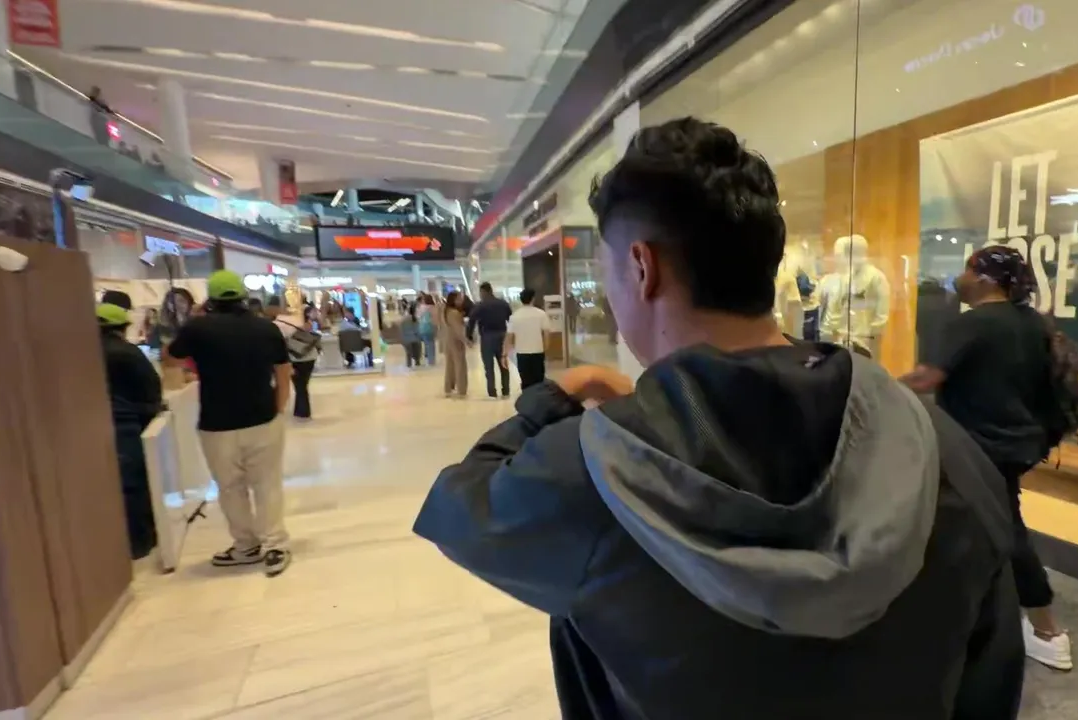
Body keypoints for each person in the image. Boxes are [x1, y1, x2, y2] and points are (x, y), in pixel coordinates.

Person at [414, 118, 1024, 719]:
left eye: (606, 276)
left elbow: (458, 506)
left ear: (643, 268)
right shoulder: (941, 447)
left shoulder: (589, 469)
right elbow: (989, 673)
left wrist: (557, 395)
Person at [901, 246, 1072, 672]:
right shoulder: (1032, 322)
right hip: (1021, 441)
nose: (959, 278)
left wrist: (876, 386)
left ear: (984, 278)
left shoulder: (971, 323)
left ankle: (1047, 631)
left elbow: (927, 377)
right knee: (976, 521)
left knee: (1004, 527)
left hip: (979, 446)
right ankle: (974, 608)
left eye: (966, 269)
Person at [166, 270, 293, 577]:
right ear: (243, 297)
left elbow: (170, 357)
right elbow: (283, 372)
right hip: (262, 417)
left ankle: (245, 546)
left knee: (230, 488)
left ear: (210, 299)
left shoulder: (198, 329)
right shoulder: (265, 328)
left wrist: (195, 319)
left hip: (216, 423)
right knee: (267, 485)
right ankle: (275, 546)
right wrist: (278, 408)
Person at [97, 303, 163, 560]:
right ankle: (141, 542)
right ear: (122, 328)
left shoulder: (78, 354)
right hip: (126, 424)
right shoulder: (127, 352)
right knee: (133, 485)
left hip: (93, 427)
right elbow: (151, 389)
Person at [269, 299, 319, 421]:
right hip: (310, 354)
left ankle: (303, 412)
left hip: (294, 357)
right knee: (302, 384)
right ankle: (301, 411)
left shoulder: (276, 324)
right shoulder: (298, 319)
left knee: (299, 385)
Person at [467, 282, 513, 399]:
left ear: (483, 292)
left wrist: (469, 336)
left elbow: (472, 321)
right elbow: (510, 318)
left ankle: (492, 392)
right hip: (502, 335)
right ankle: (506, 390)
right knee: (503, 364)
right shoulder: (503, 303)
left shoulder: (480, 305)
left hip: (487, 336)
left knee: (489, 367)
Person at [504, 287, 549, 389]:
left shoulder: (515, 316)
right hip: (538, 352)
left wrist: (505, 354)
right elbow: (546, 334)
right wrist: (545, 348)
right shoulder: (541, 314)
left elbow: (509, 337)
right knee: (539, 380)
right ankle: (538, 397)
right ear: (533, 298)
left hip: (522, 353)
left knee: (525, 380)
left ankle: (527, 396)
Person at [441, 290, 469, 398]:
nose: (461, 301)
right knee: (460, 366)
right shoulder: (455, 313)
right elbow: (459, 330)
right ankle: (462, 389)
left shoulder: (445, 311)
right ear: (454, 300)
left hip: (447, 340)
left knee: (450, 366)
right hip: (456, 342)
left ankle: (448, 388)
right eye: (459, 298)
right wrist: (467, 341)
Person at [400, 303, 423, 369]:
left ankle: (409, 364)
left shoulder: (403, 319)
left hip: (406, 339)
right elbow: (417, 330)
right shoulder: (415, 319)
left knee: (408, 353)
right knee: (417, 350)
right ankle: (417, 362)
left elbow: (401, 329)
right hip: (415, 338)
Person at [418, 293, 438, 365]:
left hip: (423, 327)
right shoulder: (434, 307)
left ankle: (429, 359)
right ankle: (432, 360)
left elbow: (418, 316)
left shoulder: (421, 307)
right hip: (431, 327)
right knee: (431, 344)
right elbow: (436, 319)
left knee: (427, 344)